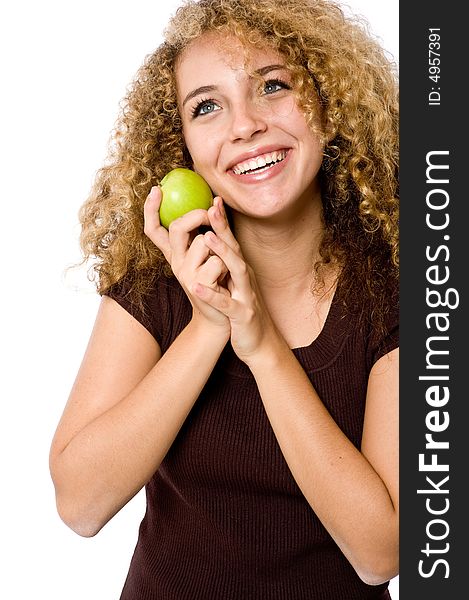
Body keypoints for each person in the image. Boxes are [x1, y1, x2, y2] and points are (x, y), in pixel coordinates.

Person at [49, 0, 399, 598]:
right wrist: (208, 324)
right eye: (207, 106)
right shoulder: (155, 280)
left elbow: (380, 554)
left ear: (329, 102)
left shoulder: (394, 290)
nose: (244, 126)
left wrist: (260, 344)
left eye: (272, 86)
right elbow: (80, 506)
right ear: (182, 144)